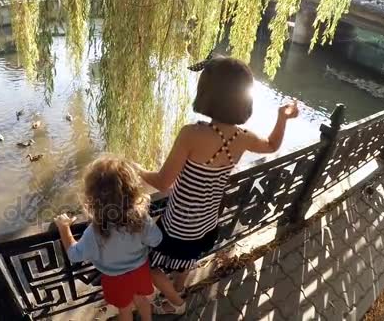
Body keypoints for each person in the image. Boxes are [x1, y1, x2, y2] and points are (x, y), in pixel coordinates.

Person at [136, 56, 299, 315]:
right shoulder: (242, 137)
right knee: (187, 260)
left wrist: (139, 170)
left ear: (207, 94)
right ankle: (176, 294)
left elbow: (164, 181)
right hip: (207, 222)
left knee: (147, 265)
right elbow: (271, 145)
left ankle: (176, 303)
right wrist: (282, 117)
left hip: (178, 223)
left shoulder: (192, 134)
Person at [54, 156, 163, 321]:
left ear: (92, 198)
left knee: (124, 309)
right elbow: (156, 240)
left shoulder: (94, 231)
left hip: (115, 279)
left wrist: (64, 228)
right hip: (140, 271)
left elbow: (75, 255)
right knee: (142, 300)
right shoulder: (141, 219)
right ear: (132, 191)